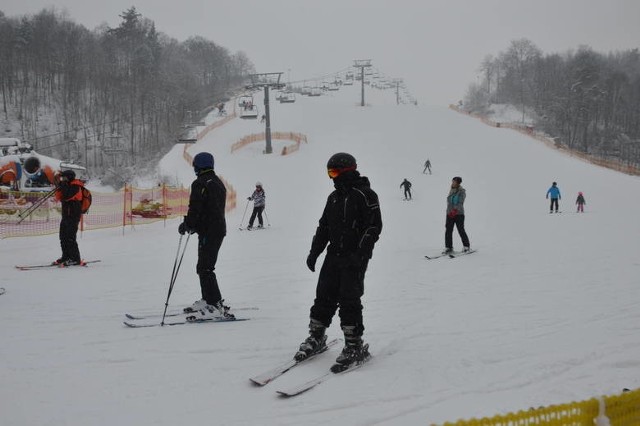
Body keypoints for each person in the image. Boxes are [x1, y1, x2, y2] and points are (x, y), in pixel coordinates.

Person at [297, 152, 382, 369]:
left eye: (334, 172)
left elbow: (374, 227)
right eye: (329, 173)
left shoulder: (365, 195)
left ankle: (354, 344)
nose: (332, 177)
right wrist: (314, 252)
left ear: (347, 171)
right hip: (333, 255)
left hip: (354, 257)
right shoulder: (333, 198)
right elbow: (324, 227)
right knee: (323, 296)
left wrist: (360, 253)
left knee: (349, 299)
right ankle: (316, 336)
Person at [179, 152, 234, 320]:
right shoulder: (217, 182)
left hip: (209, 231)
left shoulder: (200, 184)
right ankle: (207, 299)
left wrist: (188, 224)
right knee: (204, 266)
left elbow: (196, 208)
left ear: (198, 166)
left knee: (205, 267)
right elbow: (209, 209)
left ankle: (215, 303)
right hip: (215, 230)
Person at [53, 170, 84, 266]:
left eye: (64, 177)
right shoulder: (66, 185)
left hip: (73, 216)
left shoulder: (76, 186)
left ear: (69, 177)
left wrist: (64, 185)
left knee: (70, 238)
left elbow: (66, 197)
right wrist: (58, 187)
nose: (62, 179)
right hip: (66, 216)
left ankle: (75, 259)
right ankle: (66, 256)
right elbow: (58, 197)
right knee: (63, 237)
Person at [443, 176, 470, 254]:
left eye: (454, 182)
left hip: (459, 214)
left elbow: (460, 202)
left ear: (458, 183)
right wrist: (449, 212)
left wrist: (455, 210)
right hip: (449, 214)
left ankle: (466, 246)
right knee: (448, 230)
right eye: (452, 181)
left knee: (461, 230)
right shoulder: (451, 190)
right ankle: (449, 247)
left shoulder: (462, 191)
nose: (452, 183)